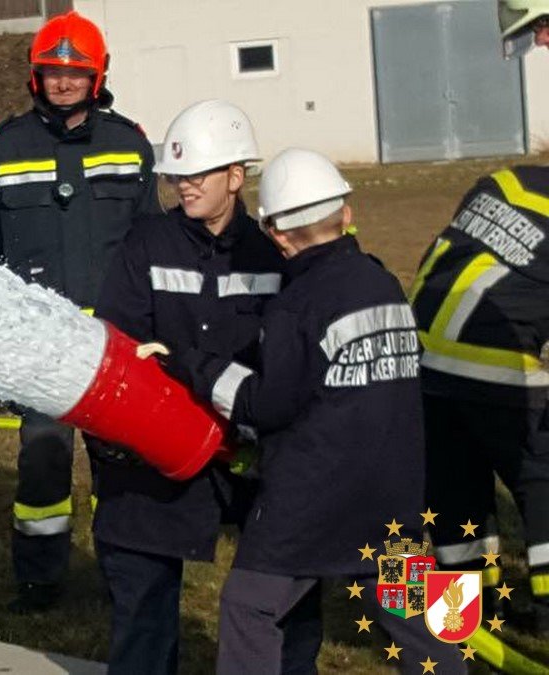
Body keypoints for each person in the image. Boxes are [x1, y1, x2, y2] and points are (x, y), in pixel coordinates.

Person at [160, 148, 464, 674]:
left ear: (276, 234)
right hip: (393, 490)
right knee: (418, 620)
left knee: (248, 608)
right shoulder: (384, 283)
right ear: (346, 213)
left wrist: (199, 366)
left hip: (311, 500)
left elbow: (266, 405)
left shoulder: (295, 305)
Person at [0, 10, 160, 614]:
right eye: (52, 72)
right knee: (43, 460)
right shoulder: (3, 147)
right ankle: (39, 581)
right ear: (34, 76)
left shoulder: (128, 143)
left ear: (98, 77)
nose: (64, 83)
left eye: (76, 73)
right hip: (37, 346)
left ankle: (123, 573)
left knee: (118, 463)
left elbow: (154, 244)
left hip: (114, 343)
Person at [88, 100, 283, 674]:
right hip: (153, 457)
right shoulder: (146, 244)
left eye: (197, 173)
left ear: (236, 176)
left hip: (250, 453)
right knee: (142, 610)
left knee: (284, 607)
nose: (183, 185)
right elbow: (119, 338)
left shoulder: (269, 252)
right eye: (176, 176)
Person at [407, 0, 549, 633]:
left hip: (422, 361)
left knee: (456, 490)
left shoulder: (502, 182)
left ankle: (460, 621)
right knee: (542, 480)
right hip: (495, 368)